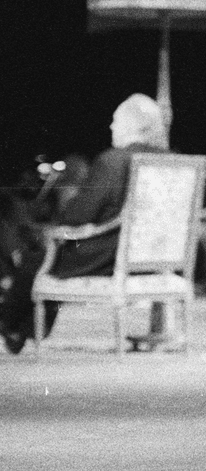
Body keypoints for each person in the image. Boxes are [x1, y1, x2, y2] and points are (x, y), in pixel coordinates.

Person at [0, 95, 170, 354]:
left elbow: (78, 215)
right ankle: (26, 328)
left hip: (108, 256)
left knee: (40, 257)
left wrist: (66, 207)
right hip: (157, 258)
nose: (112, 128)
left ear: (134, 125)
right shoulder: (169, 161)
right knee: (49, 258)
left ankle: (12, 324)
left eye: (116, 122)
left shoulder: (112, 160)